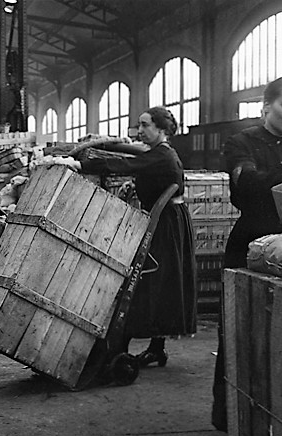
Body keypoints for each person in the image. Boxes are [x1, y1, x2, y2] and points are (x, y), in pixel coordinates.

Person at [212, 76, 282, 432]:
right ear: (266, 106)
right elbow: (246, 185)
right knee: (240, 329)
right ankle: (233, 416)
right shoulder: (241, 142)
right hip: (253, 242)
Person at [47, 106, 197, 366]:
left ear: (161, 128)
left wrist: (79, 163)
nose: (139, 130)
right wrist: (135, 184)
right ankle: (154, 348)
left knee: (153, 282)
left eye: (145, 125)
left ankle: (138, 346)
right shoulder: (159, 154)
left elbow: (127, 164)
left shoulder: (162, 155)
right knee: (156, 282)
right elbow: (143, 170)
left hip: (168, 225)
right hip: (163, 221)